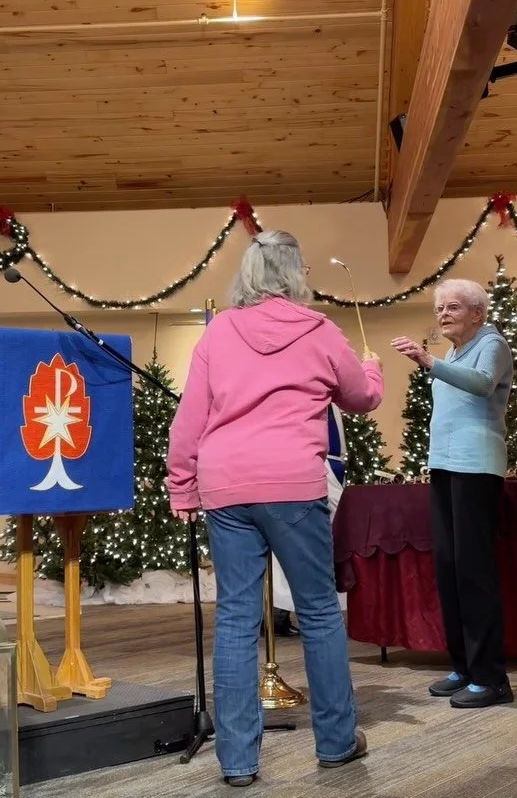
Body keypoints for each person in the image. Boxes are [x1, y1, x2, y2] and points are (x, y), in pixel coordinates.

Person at [167, 230, 384, 787]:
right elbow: (361, 399)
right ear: (297, 274)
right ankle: (337, 743)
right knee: (317, 612)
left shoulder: (218, 333)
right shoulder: (321, 331)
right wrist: (374, 368)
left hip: (226, 485)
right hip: (291, 483)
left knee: (237, 620)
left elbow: (190, 417)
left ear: (248, 274)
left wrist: (181, 486)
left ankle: (238, 762)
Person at [391, 278, 513, 709]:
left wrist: (427, 360)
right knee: (448, 567)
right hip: (444, 466)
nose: (442, 314)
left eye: (453, 307)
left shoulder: (492, 344)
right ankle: (464, 667)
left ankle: (492, 678)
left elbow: (481, 384)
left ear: (477, 314)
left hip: (476, 466)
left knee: (473, 571)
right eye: (440, 307)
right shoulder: (453, 352)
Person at [270, 404, 348, 635]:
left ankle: (298, 612)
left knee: (323, 539)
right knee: (302, 539)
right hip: (314, 462)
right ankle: (284, 612)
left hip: (328, 462)